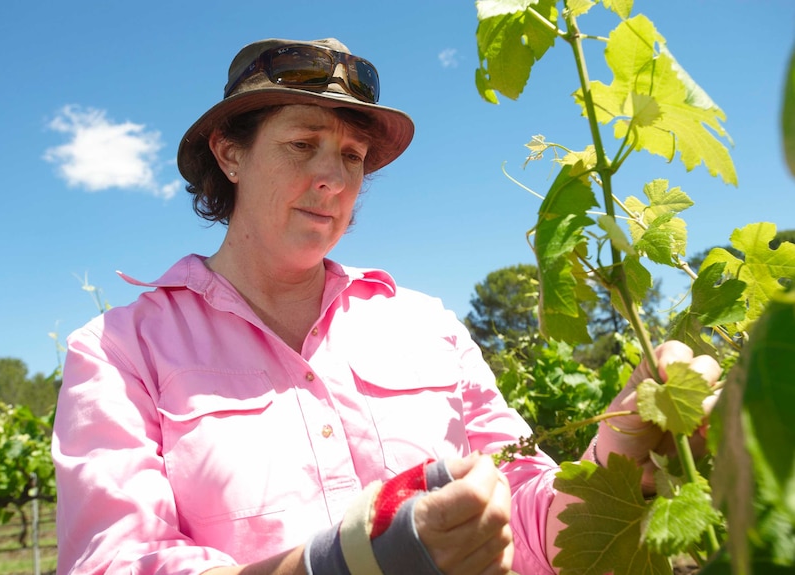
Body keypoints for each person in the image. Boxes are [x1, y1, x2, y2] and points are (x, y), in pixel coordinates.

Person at [51, 37, 721, 575]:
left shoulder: (428, 327)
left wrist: (620, 460)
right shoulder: (119, 350)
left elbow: (521, 516)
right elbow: (112, 560)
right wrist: (340, 562)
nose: (334, 178)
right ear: (230, 155)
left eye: (352, 155)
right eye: (300, 144)